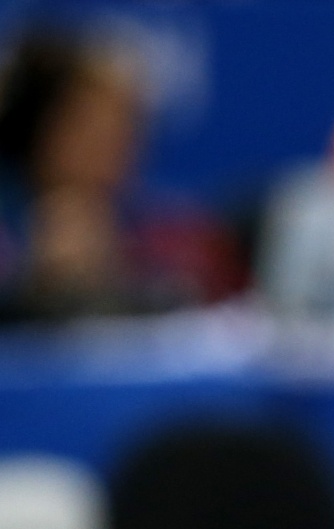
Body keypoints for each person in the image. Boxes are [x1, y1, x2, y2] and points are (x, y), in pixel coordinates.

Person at [0, 27, 239, 322]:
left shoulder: (171, 229)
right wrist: (32, 282)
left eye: (125, 130)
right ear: (38, 129)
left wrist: (118, 273)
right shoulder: (8, 231)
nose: (111, 148)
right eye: (88, 129)